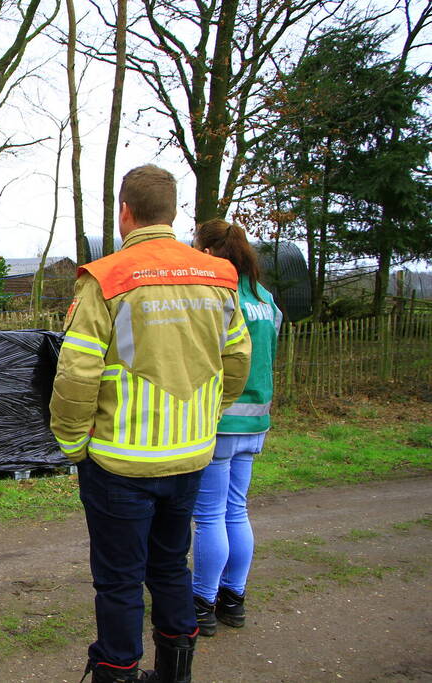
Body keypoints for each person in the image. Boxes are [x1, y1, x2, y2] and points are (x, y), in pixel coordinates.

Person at [50, 165, 252, 683]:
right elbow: (237, 361)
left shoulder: (107, 279)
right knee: (170, 567)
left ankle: (117, 672)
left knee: (119, 580)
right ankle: (175, 673)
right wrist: (207, 417)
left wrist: (71, 442)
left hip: (118, 462)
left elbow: (76, 372)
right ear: (173, 211)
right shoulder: (219, 277)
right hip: (189, 456)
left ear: (125, 212)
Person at [190, 219, 281, 636]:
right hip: (256, 419)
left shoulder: (219, 296)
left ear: (209, 252)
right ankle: (234, 598)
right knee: (237, 510)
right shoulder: (265, 298)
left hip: (222, 419)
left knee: (210, 516)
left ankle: (202, 603)